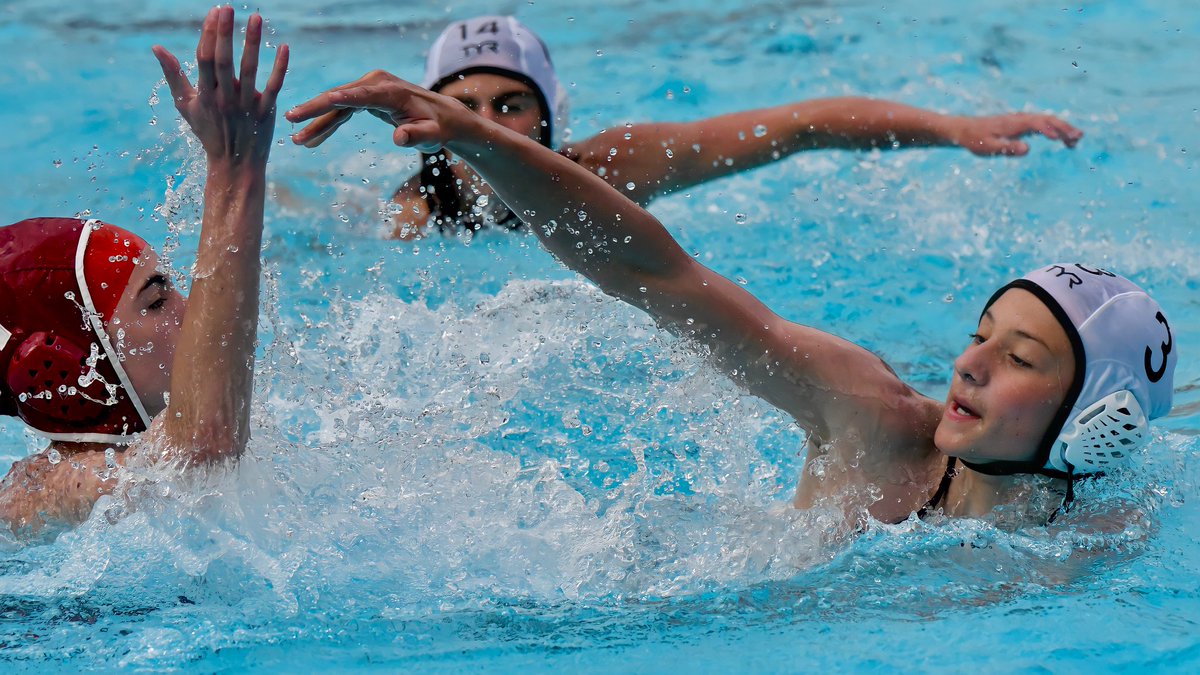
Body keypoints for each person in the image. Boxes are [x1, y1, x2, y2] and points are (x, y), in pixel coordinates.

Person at [286, 72, 1176, 527]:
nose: (966, 361)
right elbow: (657, 273)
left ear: (1100, 419)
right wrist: (482, 143)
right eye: (981, 334)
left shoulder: (1108, 541)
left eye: (1017, 357)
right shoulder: (871, 419)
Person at [295, 15, 1083, 239]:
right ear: (429, 122)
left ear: (547, 117)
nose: (490, 125)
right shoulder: (417, 216)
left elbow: (800, 126)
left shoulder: (611, 167)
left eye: (510, 105)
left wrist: (950, 127)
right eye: (464, 108)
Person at [0, 7, 288, 536]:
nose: (193, 309)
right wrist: (235, 169)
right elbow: (202, 447)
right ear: (67, 367)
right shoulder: (51, 490)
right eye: (155, 301)